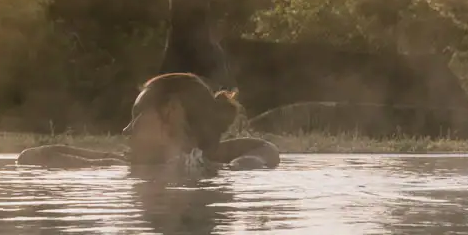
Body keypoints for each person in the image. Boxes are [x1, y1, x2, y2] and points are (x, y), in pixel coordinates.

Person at [16, 72, 280, 171]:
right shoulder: (129, 161)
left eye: (137, 117)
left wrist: (239, 167)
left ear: (172, 111)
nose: (126, 129)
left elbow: (266, 150)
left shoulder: (215, 158)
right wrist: (99, 163)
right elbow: (29, 157)